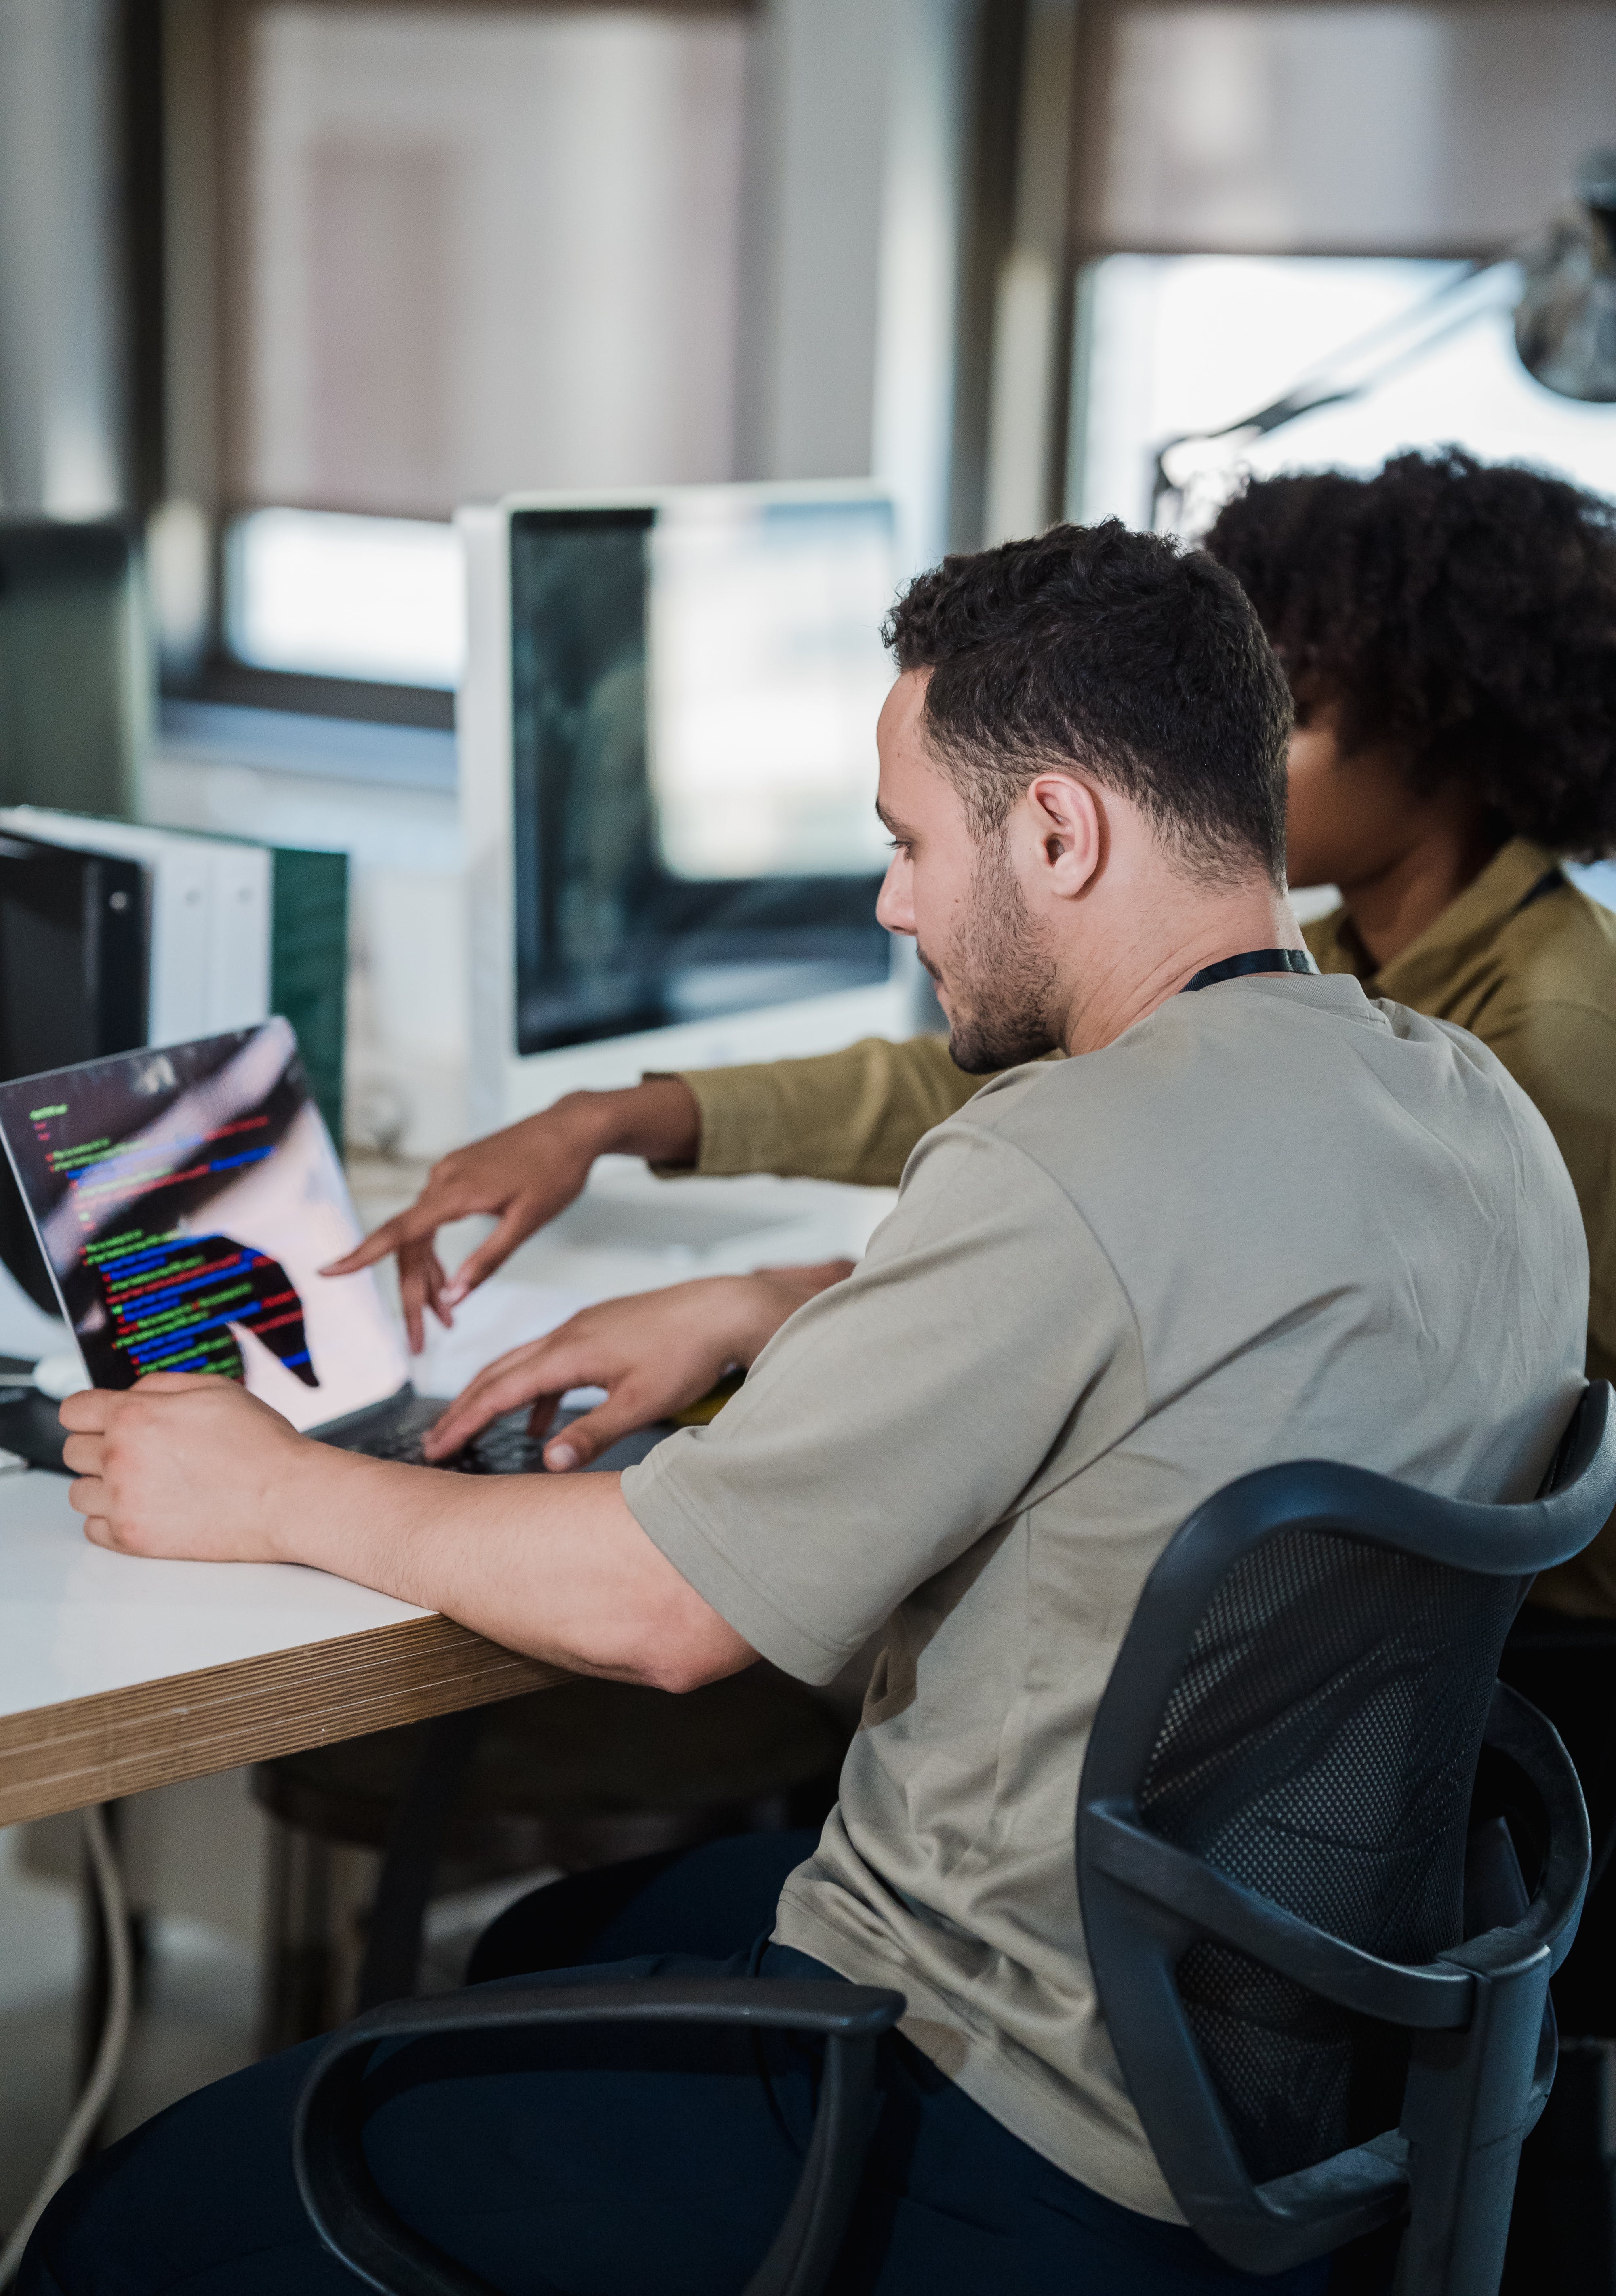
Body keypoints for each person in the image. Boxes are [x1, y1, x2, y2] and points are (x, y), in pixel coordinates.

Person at [30, 521, 1587, 2296]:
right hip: (1294, 2083)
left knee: (134, 2233)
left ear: (1061, 829)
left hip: (985, 2105)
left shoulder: (1062, 1155)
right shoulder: (1471, 1113)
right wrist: (781, 1309)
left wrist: (272, 1491)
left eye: (909, 843)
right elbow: (1206, 1347)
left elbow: (666, 1609)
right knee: (554, 1937)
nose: (893, 902)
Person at [349, 455, 1616, 1614]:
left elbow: (1246, 1318)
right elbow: (1087, 1159)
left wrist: (279, 1492)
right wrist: (628, 1121)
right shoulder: (1393, 1027)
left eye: (910, 846)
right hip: (1334, 1798)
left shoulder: (1545, 1040)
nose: (1241, 763)